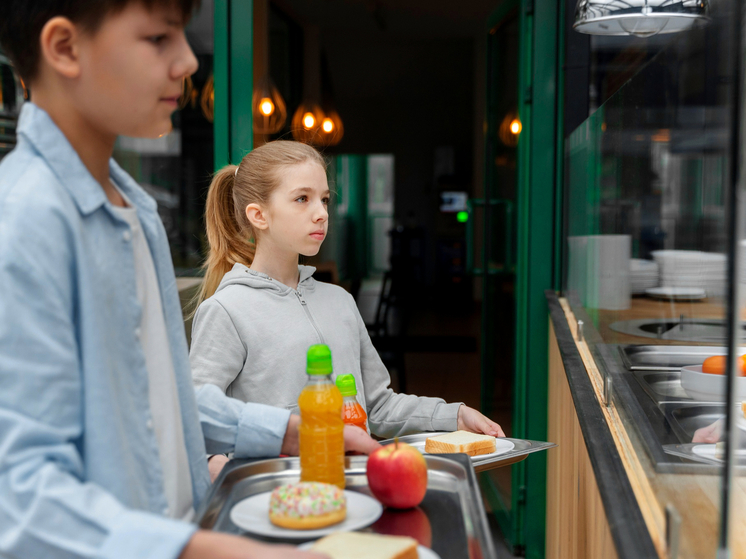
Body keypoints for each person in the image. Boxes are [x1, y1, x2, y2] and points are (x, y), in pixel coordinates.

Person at [0, 2, 378, 558]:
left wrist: (292, 432)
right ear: (64, 48)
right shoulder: (22, 222)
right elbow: (20, 500)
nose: (185, 61)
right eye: (158, 38)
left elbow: (164, 400)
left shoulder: (134, 210)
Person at [189, 140, 506, 446]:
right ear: (258, 215)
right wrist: (214, 463)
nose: (322, 213)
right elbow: (197, 419)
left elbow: (377, 406)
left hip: (354, 490)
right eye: (303, 198)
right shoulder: (226, 310)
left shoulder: (339, 301)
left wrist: (456, 416)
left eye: (324, 199)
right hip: (281, 496)